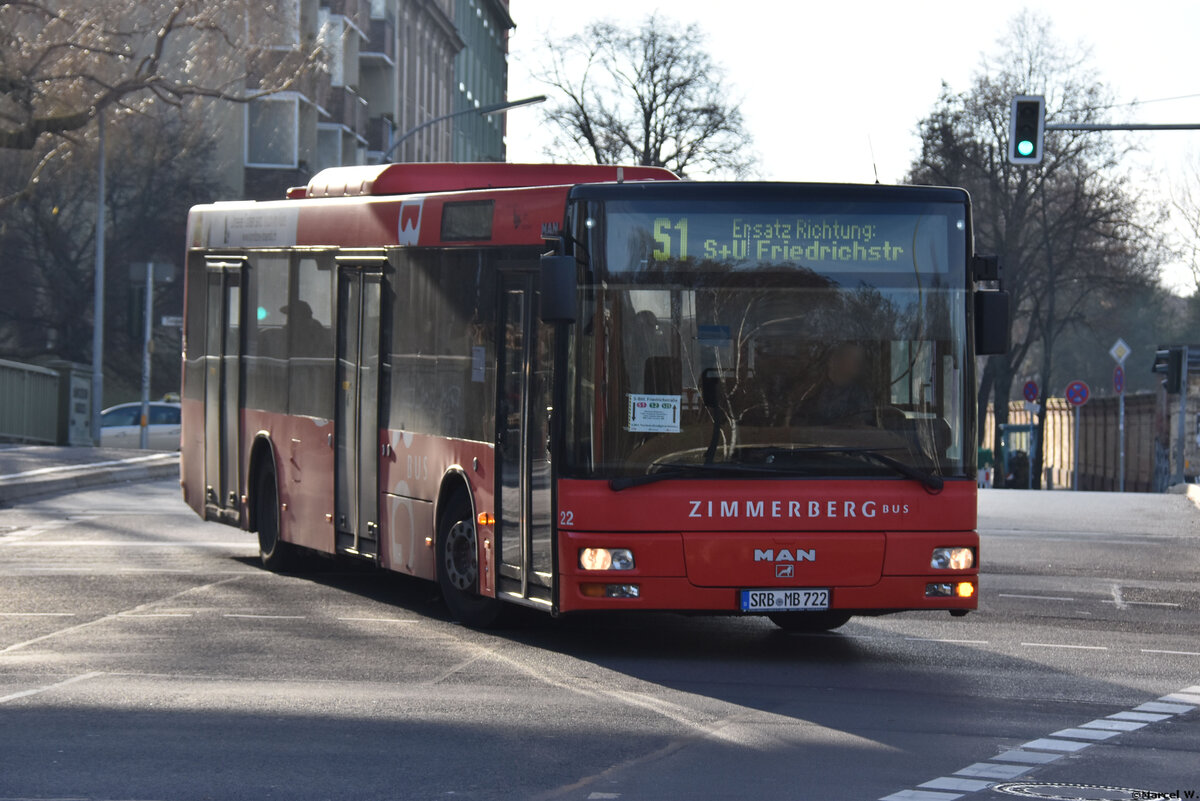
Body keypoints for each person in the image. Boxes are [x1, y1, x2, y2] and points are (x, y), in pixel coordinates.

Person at [797, 342, 875, 426]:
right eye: (853, 358)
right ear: (833, 360)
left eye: (860, 359)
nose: (858, 363)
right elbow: (798, 422)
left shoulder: (861, 395)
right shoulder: (811, 389)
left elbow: (861, 426)